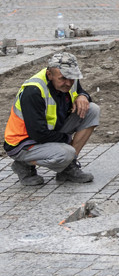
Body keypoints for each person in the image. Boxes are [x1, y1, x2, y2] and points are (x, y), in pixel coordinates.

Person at [4, 52, 98, 186]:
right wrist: (66, 139)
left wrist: (83, 96)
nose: (68, 83)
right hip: (23, 142)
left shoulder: (69, 77)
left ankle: (67, 168)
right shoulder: (34, 90)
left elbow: (79, 90)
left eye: (72, 79)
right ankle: (23, 164)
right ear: (50, 75)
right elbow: (38, 133)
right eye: (63, 79)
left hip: (51, 130)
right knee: (66, 153)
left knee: (92, 110)